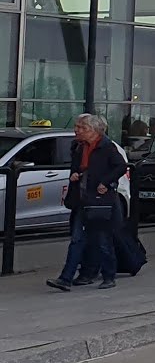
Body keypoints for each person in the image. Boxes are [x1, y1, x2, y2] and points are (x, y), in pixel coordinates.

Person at [47, 114, 126, 292]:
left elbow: (120, 166)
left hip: (99, 201)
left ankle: (109, 275)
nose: (77, 130)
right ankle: (65, 278)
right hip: (82, 198)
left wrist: (106, 182)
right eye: (77, 126)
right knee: (77, 239)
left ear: (94, 131)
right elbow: (77, 168)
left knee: (102, 239)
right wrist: (75, 175)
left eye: (82, 127)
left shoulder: (106, 146)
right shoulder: (78, 146)